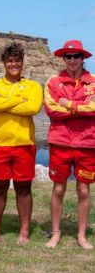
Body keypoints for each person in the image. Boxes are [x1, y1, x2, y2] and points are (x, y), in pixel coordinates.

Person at [0, 42, 43, 244]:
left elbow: (33, 107)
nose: (14, 64)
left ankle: (24, 232)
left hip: (24, 144)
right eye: (10, 61)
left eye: (18, 60)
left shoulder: (33, 86)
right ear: (4, 63)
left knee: (23, 189)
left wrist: (4, 102)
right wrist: (19, 99)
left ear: (22, 63)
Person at [44, 40, 95, 250]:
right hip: (60, 142)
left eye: (76, 56)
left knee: (84, 190)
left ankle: (82, 235)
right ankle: (56, 233)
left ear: (82, 58)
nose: (72, 60)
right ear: (63, 59)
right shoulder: (53, 82)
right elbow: (51, 110)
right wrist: (82, 108)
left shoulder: (94, 81)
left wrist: (70, 105)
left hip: (87, 143)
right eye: (68, 56)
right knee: (58, 188)